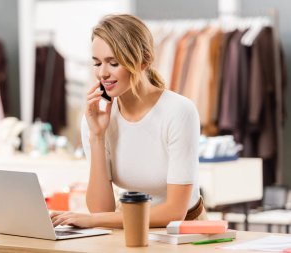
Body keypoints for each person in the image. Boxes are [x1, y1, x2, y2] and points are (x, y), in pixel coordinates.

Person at [50, 14, 205, 228]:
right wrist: (97, 136)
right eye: (97, 63)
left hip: (183, 230)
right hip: (127, 225)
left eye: (113, 63)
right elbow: (101, 210)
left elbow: (174, 211)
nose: (102, 73)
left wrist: (93, 220)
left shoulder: (179, 111)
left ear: (145, 61)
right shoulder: (96, 117)